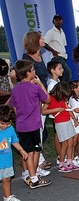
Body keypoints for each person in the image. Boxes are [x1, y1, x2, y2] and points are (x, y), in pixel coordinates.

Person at [9, 59, 52, 189]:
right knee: (34, 150)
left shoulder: (15, 90)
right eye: (33, 70)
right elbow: (47, 99)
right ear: (28, 73)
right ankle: (33, 178)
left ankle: (29, 173)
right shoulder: (35, 88)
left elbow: (14, 108)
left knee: (27, 150)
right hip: (33, 124)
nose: (34, 72)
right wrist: (40, 85)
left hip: (21, 125)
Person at [42, 81, 79, 172]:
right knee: (64, 143)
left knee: (71, 142)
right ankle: (61, 162)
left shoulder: (63, 98)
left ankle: (69, 161)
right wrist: (57, 109)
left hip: (67, 120)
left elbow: (68, 109)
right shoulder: (50, 98)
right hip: (60, 122)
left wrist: (74, 118)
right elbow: (43, 111)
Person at [0, 105, 27, 201]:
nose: (5, 126)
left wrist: (21, 150)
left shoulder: (10, 128)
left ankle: (7, 197)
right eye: (2, 123)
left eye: (8, 123)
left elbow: (14, 141)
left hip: (6, 160)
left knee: (6, 179)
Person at [43, 14, 72, 82]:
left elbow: (63, 44)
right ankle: (63, 88)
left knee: (62, 75)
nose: (58, 21)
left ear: (62, 21)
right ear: (53, 22)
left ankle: (60, 89)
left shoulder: (62, 32)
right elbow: (44, 43)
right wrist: (53, 51)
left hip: (63, 56)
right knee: (68, 73)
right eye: (56, 20)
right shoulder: (51, 32)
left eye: (60, 20)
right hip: (57, 57)